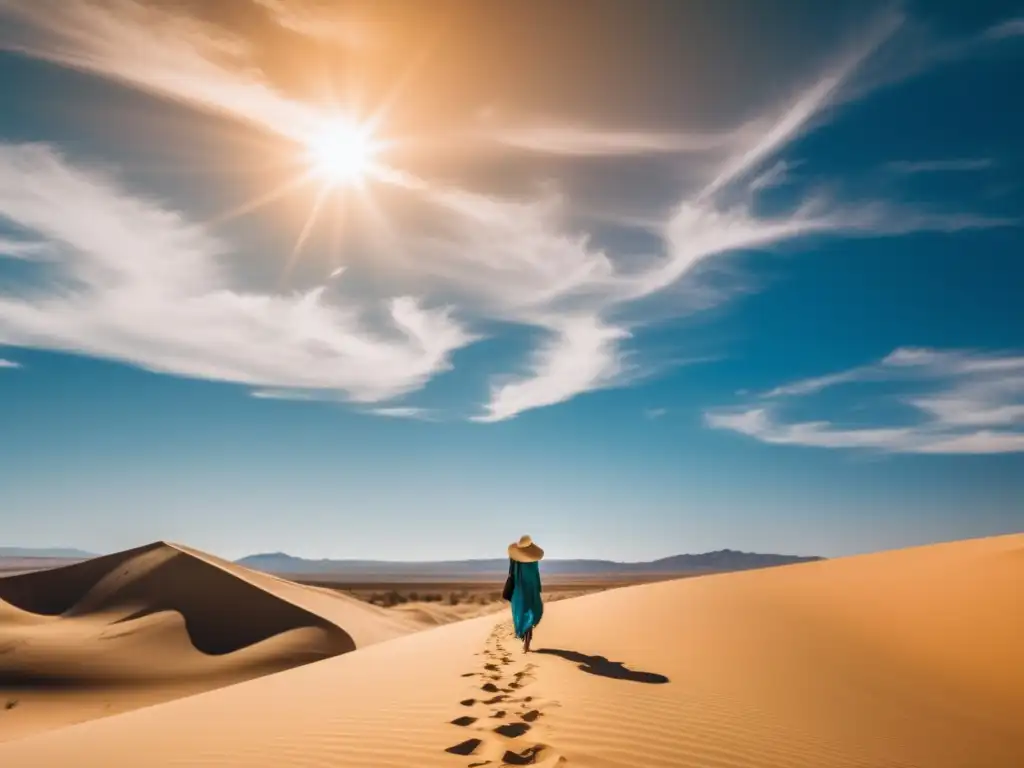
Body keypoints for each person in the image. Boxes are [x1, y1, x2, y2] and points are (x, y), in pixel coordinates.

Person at [505, 534, 544, 652]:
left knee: (522, 612)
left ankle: (525, 639)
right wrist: (538, 588)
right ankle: (527, 640)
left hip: (520, 589)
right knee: (530, 612)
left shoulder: (515, 559)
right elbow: (536, 575)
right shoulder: (533, 560)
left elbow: (511, 572)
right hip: (530, 588)